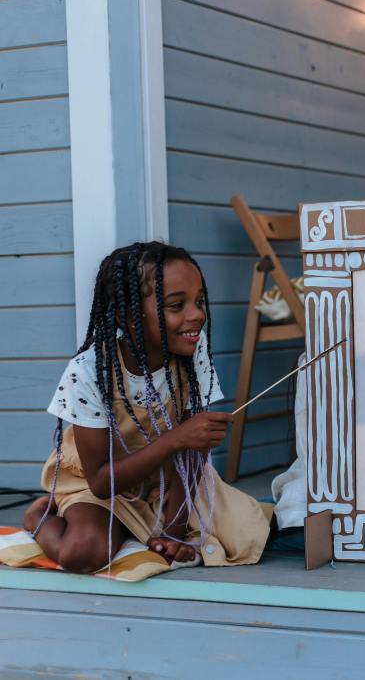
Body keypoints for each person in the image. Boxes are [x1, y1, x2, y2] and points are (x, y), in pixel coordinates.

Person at [23, 242, 269, 573]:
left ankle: (141, 526)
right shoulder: (88, 372)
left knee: (247, 534)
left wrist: (174, 530)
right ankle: (39, 516)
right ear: (128, 314)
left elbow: (191, 455)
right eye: (176, 305)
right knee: (84, 552)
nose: (196, 314)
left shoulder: (192, 350)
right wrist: (178, 438)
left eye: (198, 301)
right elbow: (100, 482)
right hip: (101, 486)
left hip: (166, 477)